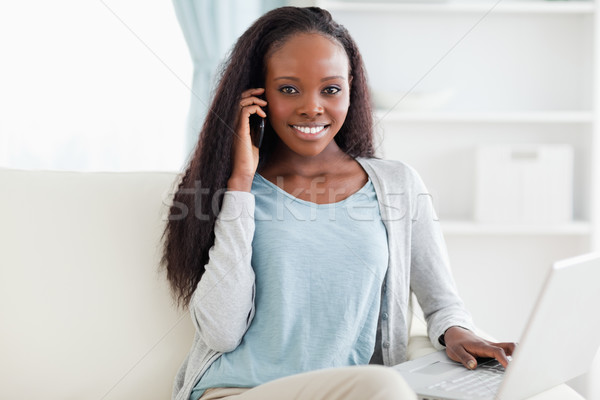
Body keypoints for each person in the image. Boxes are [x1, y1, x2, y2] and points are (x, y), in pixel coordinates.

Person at [161, 6, 516, 400]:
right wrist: (241, 183)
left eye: (330, 89)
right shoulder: (228, 190)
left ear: (350, 88)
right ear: (258, 94)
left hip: (348, 393)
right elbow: (221, 333)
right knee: (385, 387)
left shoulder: (398, 185)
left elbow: (443, 303)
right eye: (289, 89)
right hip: (236, 391)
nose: (312, 107)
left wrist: (458, 333)